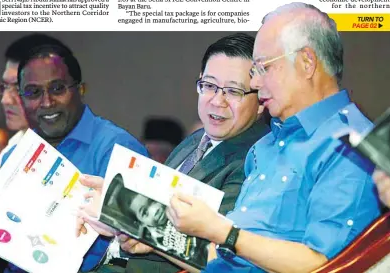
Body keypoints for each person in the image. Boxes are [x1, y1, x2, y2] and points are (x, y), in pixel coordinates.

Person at [118, 3, 381, 273]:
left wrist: (226, 233)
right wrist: (156, 239)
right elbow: (227, 260)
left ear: (307, 62)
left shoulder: (350, 145)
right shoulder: (267, 145)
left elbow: (326, 264)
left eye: (263, 68)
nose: (254, 84)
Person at [77, 32, 270, 273]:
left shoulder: (258, 159)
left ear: (261, 99)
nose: (217, 101)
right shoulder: (195, 141)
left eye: (233, 91)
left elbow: (223, 253)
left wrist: (121, 210)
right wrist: (117, 219)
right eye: (209, 86)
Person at [0, 42, 149, 273]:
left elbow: (142, 251)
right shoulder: (14, 156)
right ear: (21, 98)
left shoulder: (118, 148)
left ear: (80, 90)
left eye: (58, 88)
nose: (47, 102)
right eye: (33, 92)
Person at [0, 33, 75, 176]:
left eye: (18, 88)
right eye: (5, 86)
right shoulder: (10, 153)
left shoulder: (100, 146)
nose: (5, 100)